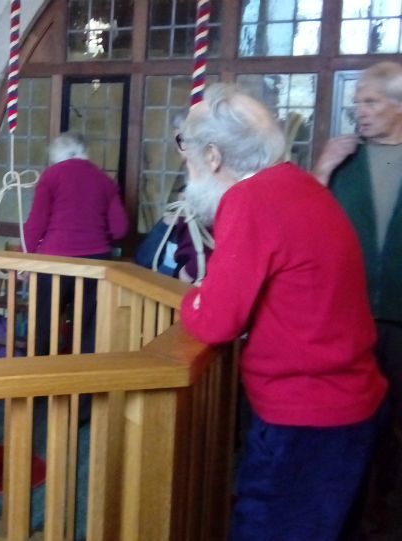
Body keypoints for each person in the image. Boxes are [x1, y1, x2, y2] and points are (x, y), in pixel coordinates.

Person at [178, 83, 387, 541]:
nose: (186, 164)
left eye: (187, 152)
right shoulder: (295, 183)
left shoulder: (251, 199)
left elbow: (215, 321)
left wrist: (191, 297)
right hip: (346, 404)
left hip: (308, 415)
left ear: (213, 156)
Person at [313, 61, 402, 541]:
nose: (358, 111)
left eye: (370, 101)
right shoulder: (343, 160)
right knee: (354, 428)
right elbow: (305, 222)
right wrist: (323, 168)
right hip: (351, 320)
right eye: (358, 102)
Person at [22, 131, 127, 356]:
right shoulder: (106, 181)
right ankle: (83, 390)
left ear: (62, 154)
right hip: (96, 263)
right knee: (88, 328)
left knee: (45, 325)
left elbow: (36, 223)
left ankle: (40, 387)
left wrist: (25, 260)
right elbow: (120, 229)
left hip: (54, 261)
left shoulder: (51, 176)